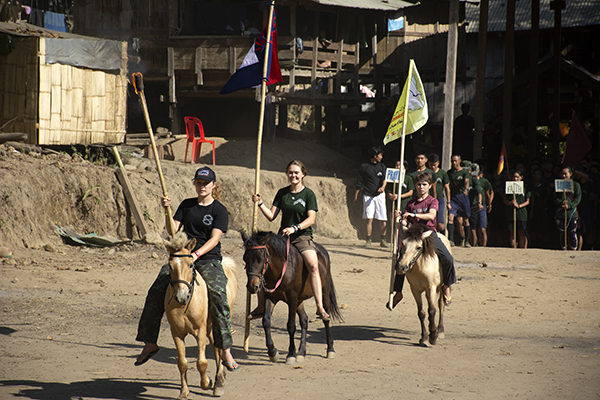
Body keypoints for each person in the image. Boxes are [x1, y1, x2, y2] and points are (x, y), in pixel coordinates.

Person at [135, 167, 239, 371]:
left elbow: (215, 238)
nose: (202, 186)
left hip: (207, 258)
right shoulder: (187, 205)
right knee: (156, 289)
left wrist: (197, 254)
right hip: (182, 257)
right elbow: (173, 230)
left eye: (206, 183)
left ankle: (225, 348)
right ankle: (150, 341)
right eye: (199, 182)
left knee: (218, 294)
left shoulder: (219, 210)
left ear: (213, 185)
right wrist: (167, 211)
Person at [251, 160, 330, 320]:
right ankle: (261, 306)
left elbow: (311, 219)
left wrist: (295, 228)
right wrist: (260, 203)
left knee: (314, 266)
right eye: (290, 172)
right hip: (282, 238)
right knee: (261, 262)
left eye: (296, 172)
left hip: (302, 237)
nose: (293, 175)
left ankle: (320, 307)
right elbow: (272, 216)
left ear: (303, 174)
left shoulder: (309, 194)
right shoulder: (282, 193)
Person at [388, 172, 456, 309]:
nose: (421, 187)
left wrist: (413, 214)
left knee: (448, 258)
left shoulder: (432, 201)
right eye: (419, 185)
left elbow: (431, 216)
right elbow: (405, 223)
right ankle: (398, 291)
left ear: (429, 186)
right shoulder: (411, 203)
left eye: (424, 185)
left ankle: (447, 285)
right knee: (400, 259)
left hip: (429, 234)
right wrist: (400, 218)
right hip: (413, 235)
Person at [355, 146, 389, 248]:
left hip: (380, 196)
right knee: (368, 219)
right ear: (375, 156)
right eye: (380, 155)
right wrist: (356, 196)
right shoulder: (364, 167)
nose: (381, 157)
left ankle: (383, 240)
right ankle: (368, 240)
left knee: (382, 218)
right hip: (367, 195)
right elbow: (359, 181)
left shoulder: (382, 166)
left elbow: (385, 179)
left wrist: (383, 187)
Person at [554, 166, 582, 250]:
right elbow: (555, 198)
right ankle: (564, 248)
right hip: (560, 212)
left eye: (565, 174)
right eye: (562, 174)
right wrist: (561, 202)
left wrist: (569, 205)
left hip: (572, 213)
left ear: (570, 174)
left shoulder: (576, 185)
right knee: (562, 233)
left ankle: (573, 248)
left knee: (572, 232)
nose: (563, 176)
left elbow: (577, 199)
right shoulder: (558, 185)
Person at [447, 154, 471, 247]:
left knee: (465, 219)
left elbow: (466, 181)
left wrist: (466, 189)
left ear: (460, 161)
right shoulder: (450, 173)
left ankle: (467, 240)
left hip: (463, 197)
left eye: (455, 161)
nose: (454, 163)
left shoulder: (464, 172)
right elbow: (448, 185)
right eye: (452, 161)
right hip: (454, 197)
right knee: (450, 217)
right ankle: (451, 240)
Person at [503, 169, 531, 248]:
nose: (515, 179)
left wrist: (519, 206)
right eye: (514, 177)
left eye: (517, 177)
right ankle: (513, 247)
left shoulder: (525, 187)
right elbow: (505, 199)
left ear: (521, 177)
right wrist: (510, 203)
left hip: (521, 213)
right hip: (511, 213)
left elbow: (528, 201)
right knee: (512, 232)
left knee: (522, 232)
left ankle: (523, 248)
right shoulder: (509, 186)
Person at [427, 153, 450, 234]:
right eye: (431, 165)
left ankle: (444, 236)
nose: (433, 167)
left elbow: (447, 188)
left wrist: (448, 202)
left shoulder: (443, 173)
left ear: (438, 163)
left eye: (434, 165)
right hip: (428, 200)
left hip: (439, 200)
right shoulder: (427, 173)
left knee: (439, 223)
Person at [467, 163, 485, 246]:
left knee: (475, 227)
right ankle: (469, 242)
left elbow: (480, 192)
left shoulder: (475, 180)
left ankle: (477, 244)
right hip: (466, 204)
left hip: (474, 205)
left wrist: (480, 203)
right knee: (468, 225)